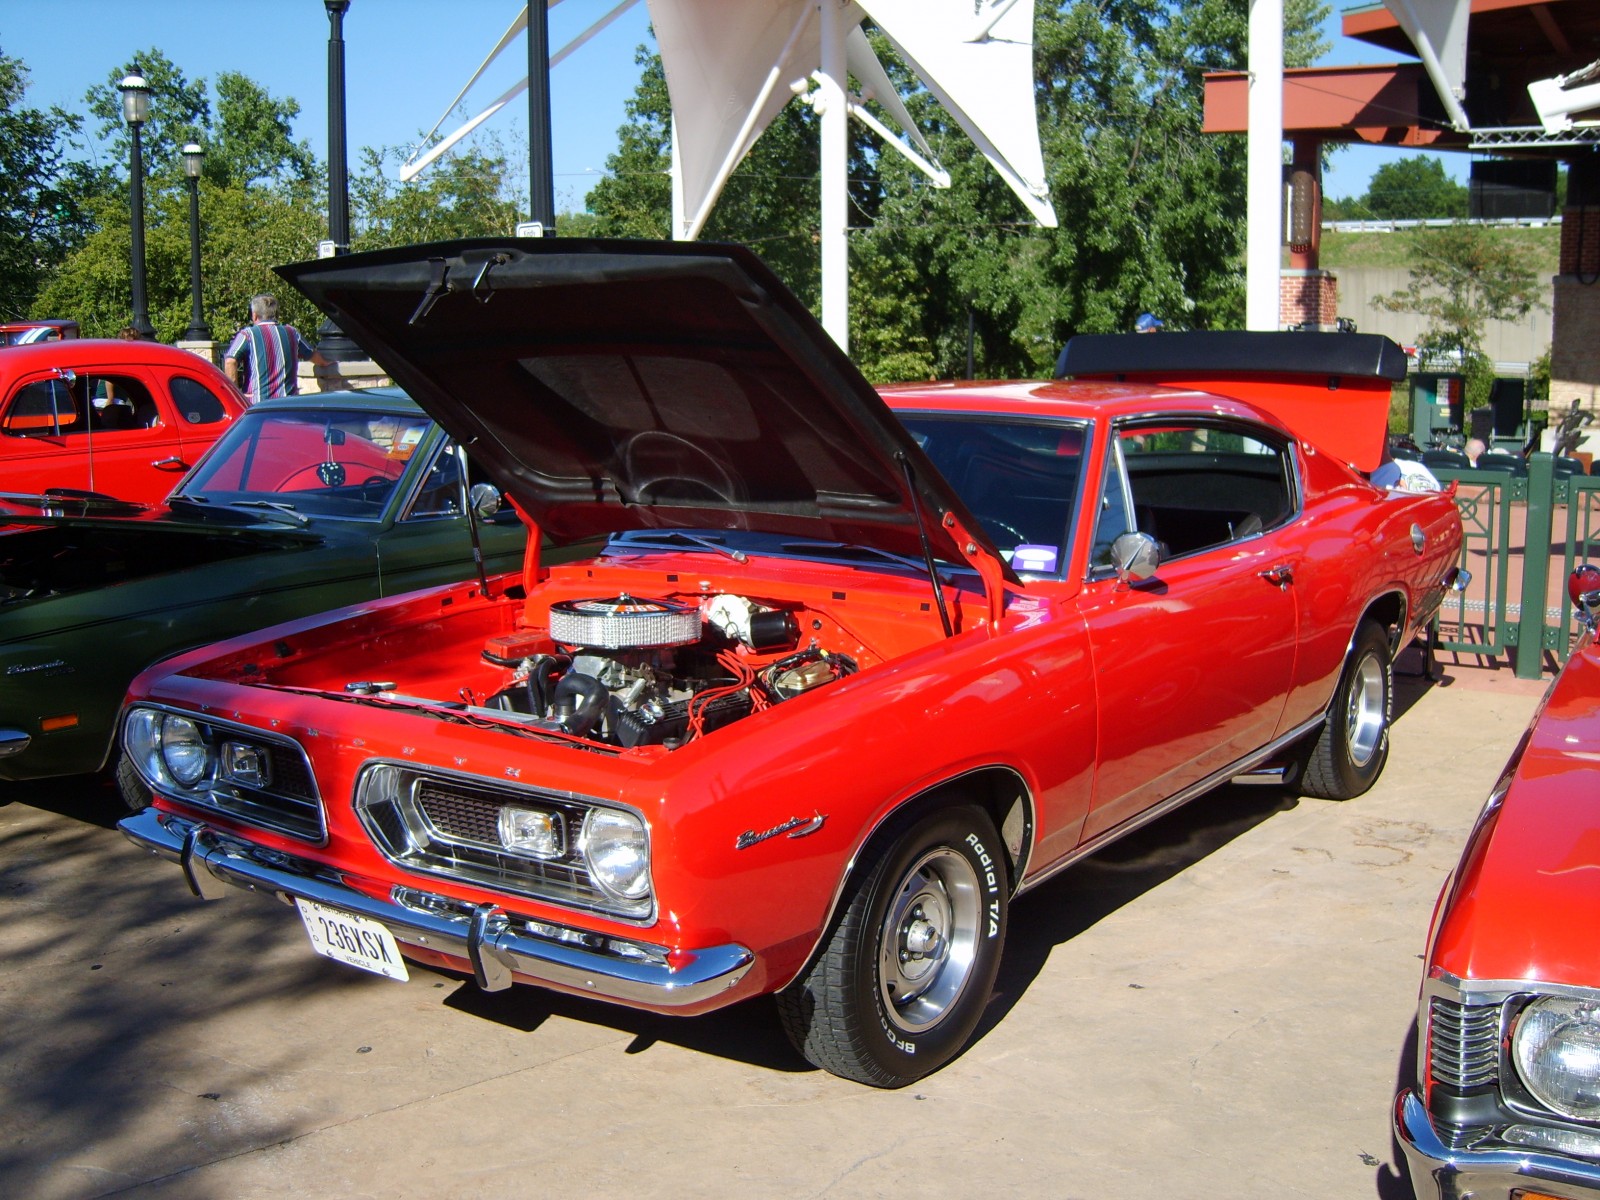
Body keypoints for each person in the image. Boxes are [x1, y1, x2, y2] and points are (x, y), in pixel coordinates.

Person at [224, 293, 329, 402]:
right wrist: (328, 363)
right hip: (287, 404)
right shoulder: (292, 332)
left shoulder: (247, 335)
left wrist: (235, 396)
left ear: (254, 315)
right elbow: (313, 356)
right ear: (276, 314)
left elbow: (230, 361)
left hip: (258, 404)